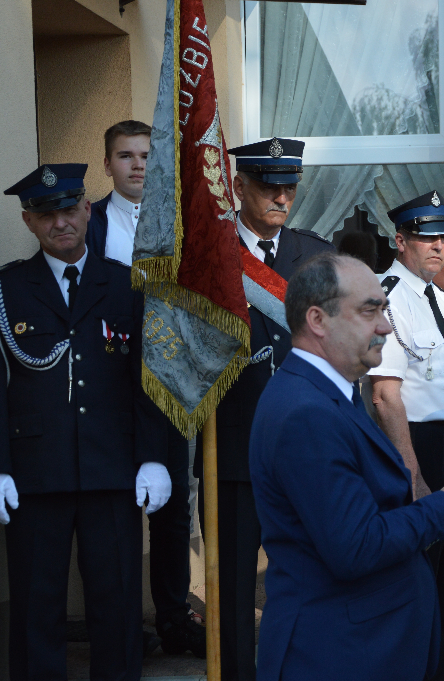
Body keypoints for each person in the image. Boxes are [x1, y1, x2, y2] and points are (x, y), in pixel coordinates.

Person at [249, 252, 444, 680]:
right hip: (336, 655)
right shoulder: (307, 412)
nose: (385, 327)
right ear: (318, 320)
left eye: (384, 310)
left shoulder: (329, 392)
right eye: (369, 311)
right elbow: (355, 546)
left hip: (363, 647)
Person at [0, 163, 171, 679]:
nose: (61, 223)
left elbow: (148, 381)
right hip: (34, 474)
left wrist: (154, 457)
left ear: (87, 209)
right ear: (28, 221)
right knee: (36, 609)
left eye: (69, 209)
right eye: (46, 214)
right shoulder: (8, 289)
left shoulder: (125, 285)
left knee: (117, 607)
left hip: (112, 471)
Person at [194, 137, 334, 681]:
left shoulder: (315, 256)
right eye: (269, 187)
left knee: (306, 578)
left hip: (305, 450)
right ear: (239, 186)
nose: (281, 198)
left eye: (289, 188)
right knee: (232, 585)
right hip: (234, 448)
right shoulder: (210, 254)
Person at [86, 119, 204, 657]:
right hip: (107, 387)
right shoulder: (87, 223)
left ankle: (174, 617)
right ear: (107, 164)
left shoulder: (182, 224)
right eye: (125, 155)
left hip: (167, 383)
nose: (137, 165)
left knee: (173, 508)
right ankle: (118, 626)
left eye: (146, 155)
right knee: (112, 512)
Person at [369, 190, 444, 680]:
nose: (439, 246)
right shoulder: (387, 296)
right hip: (416, 446)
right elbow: (385, 395)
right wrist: (412, 471)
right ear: (400, 240)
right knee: (418, 581)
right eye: (427, 237)